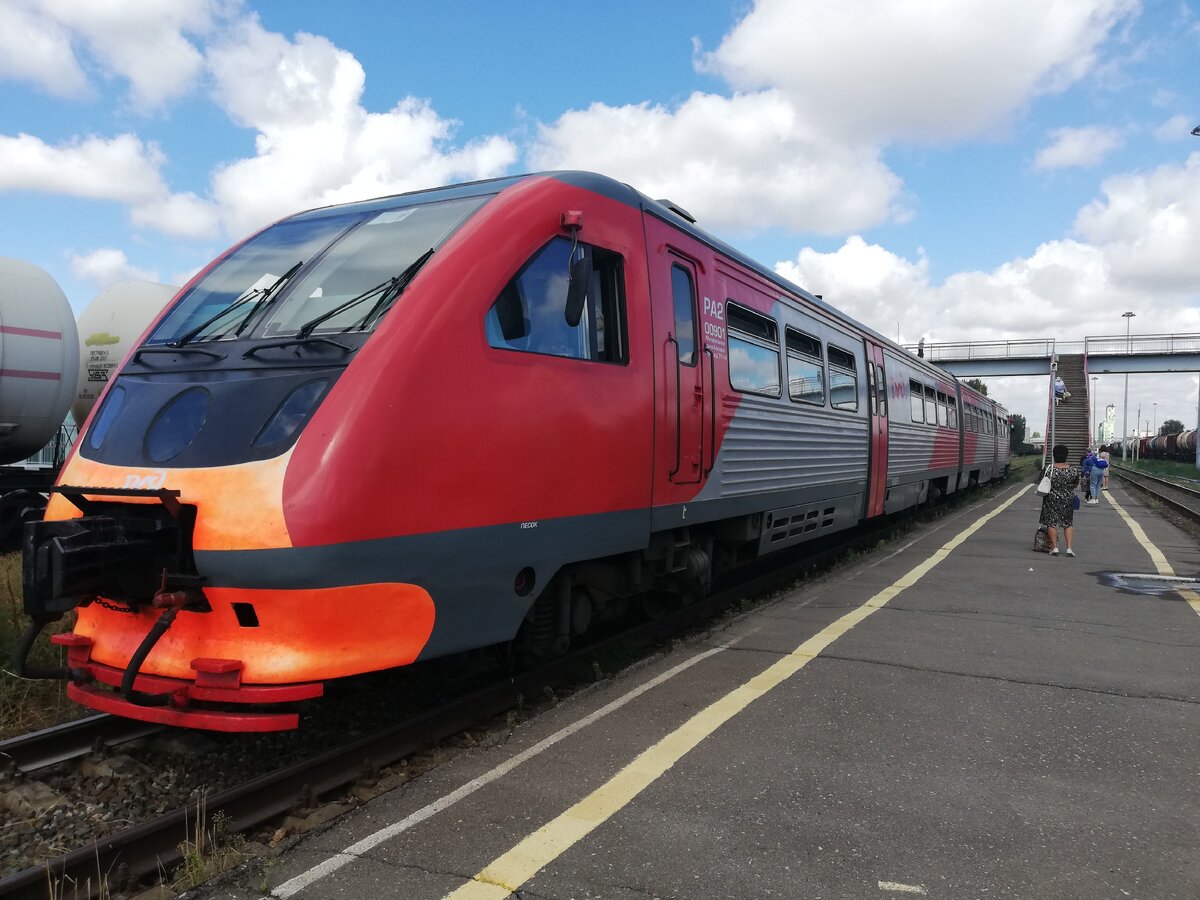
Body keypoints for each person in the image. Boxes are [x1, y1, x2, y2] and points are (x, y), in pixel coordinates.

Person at [1039, 443, 1081, 556]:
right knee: (1068, 523)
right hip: (1068, 499)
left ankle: (1054, 548)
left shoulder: (1048, 469)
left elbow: (1041, 481)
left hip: (1051, 499)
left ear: (1053, 455)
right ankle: (1069, 549)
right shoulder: (1073, 470)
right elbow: (1076, 483)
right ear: (1066, 456)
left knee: (1051, 523)